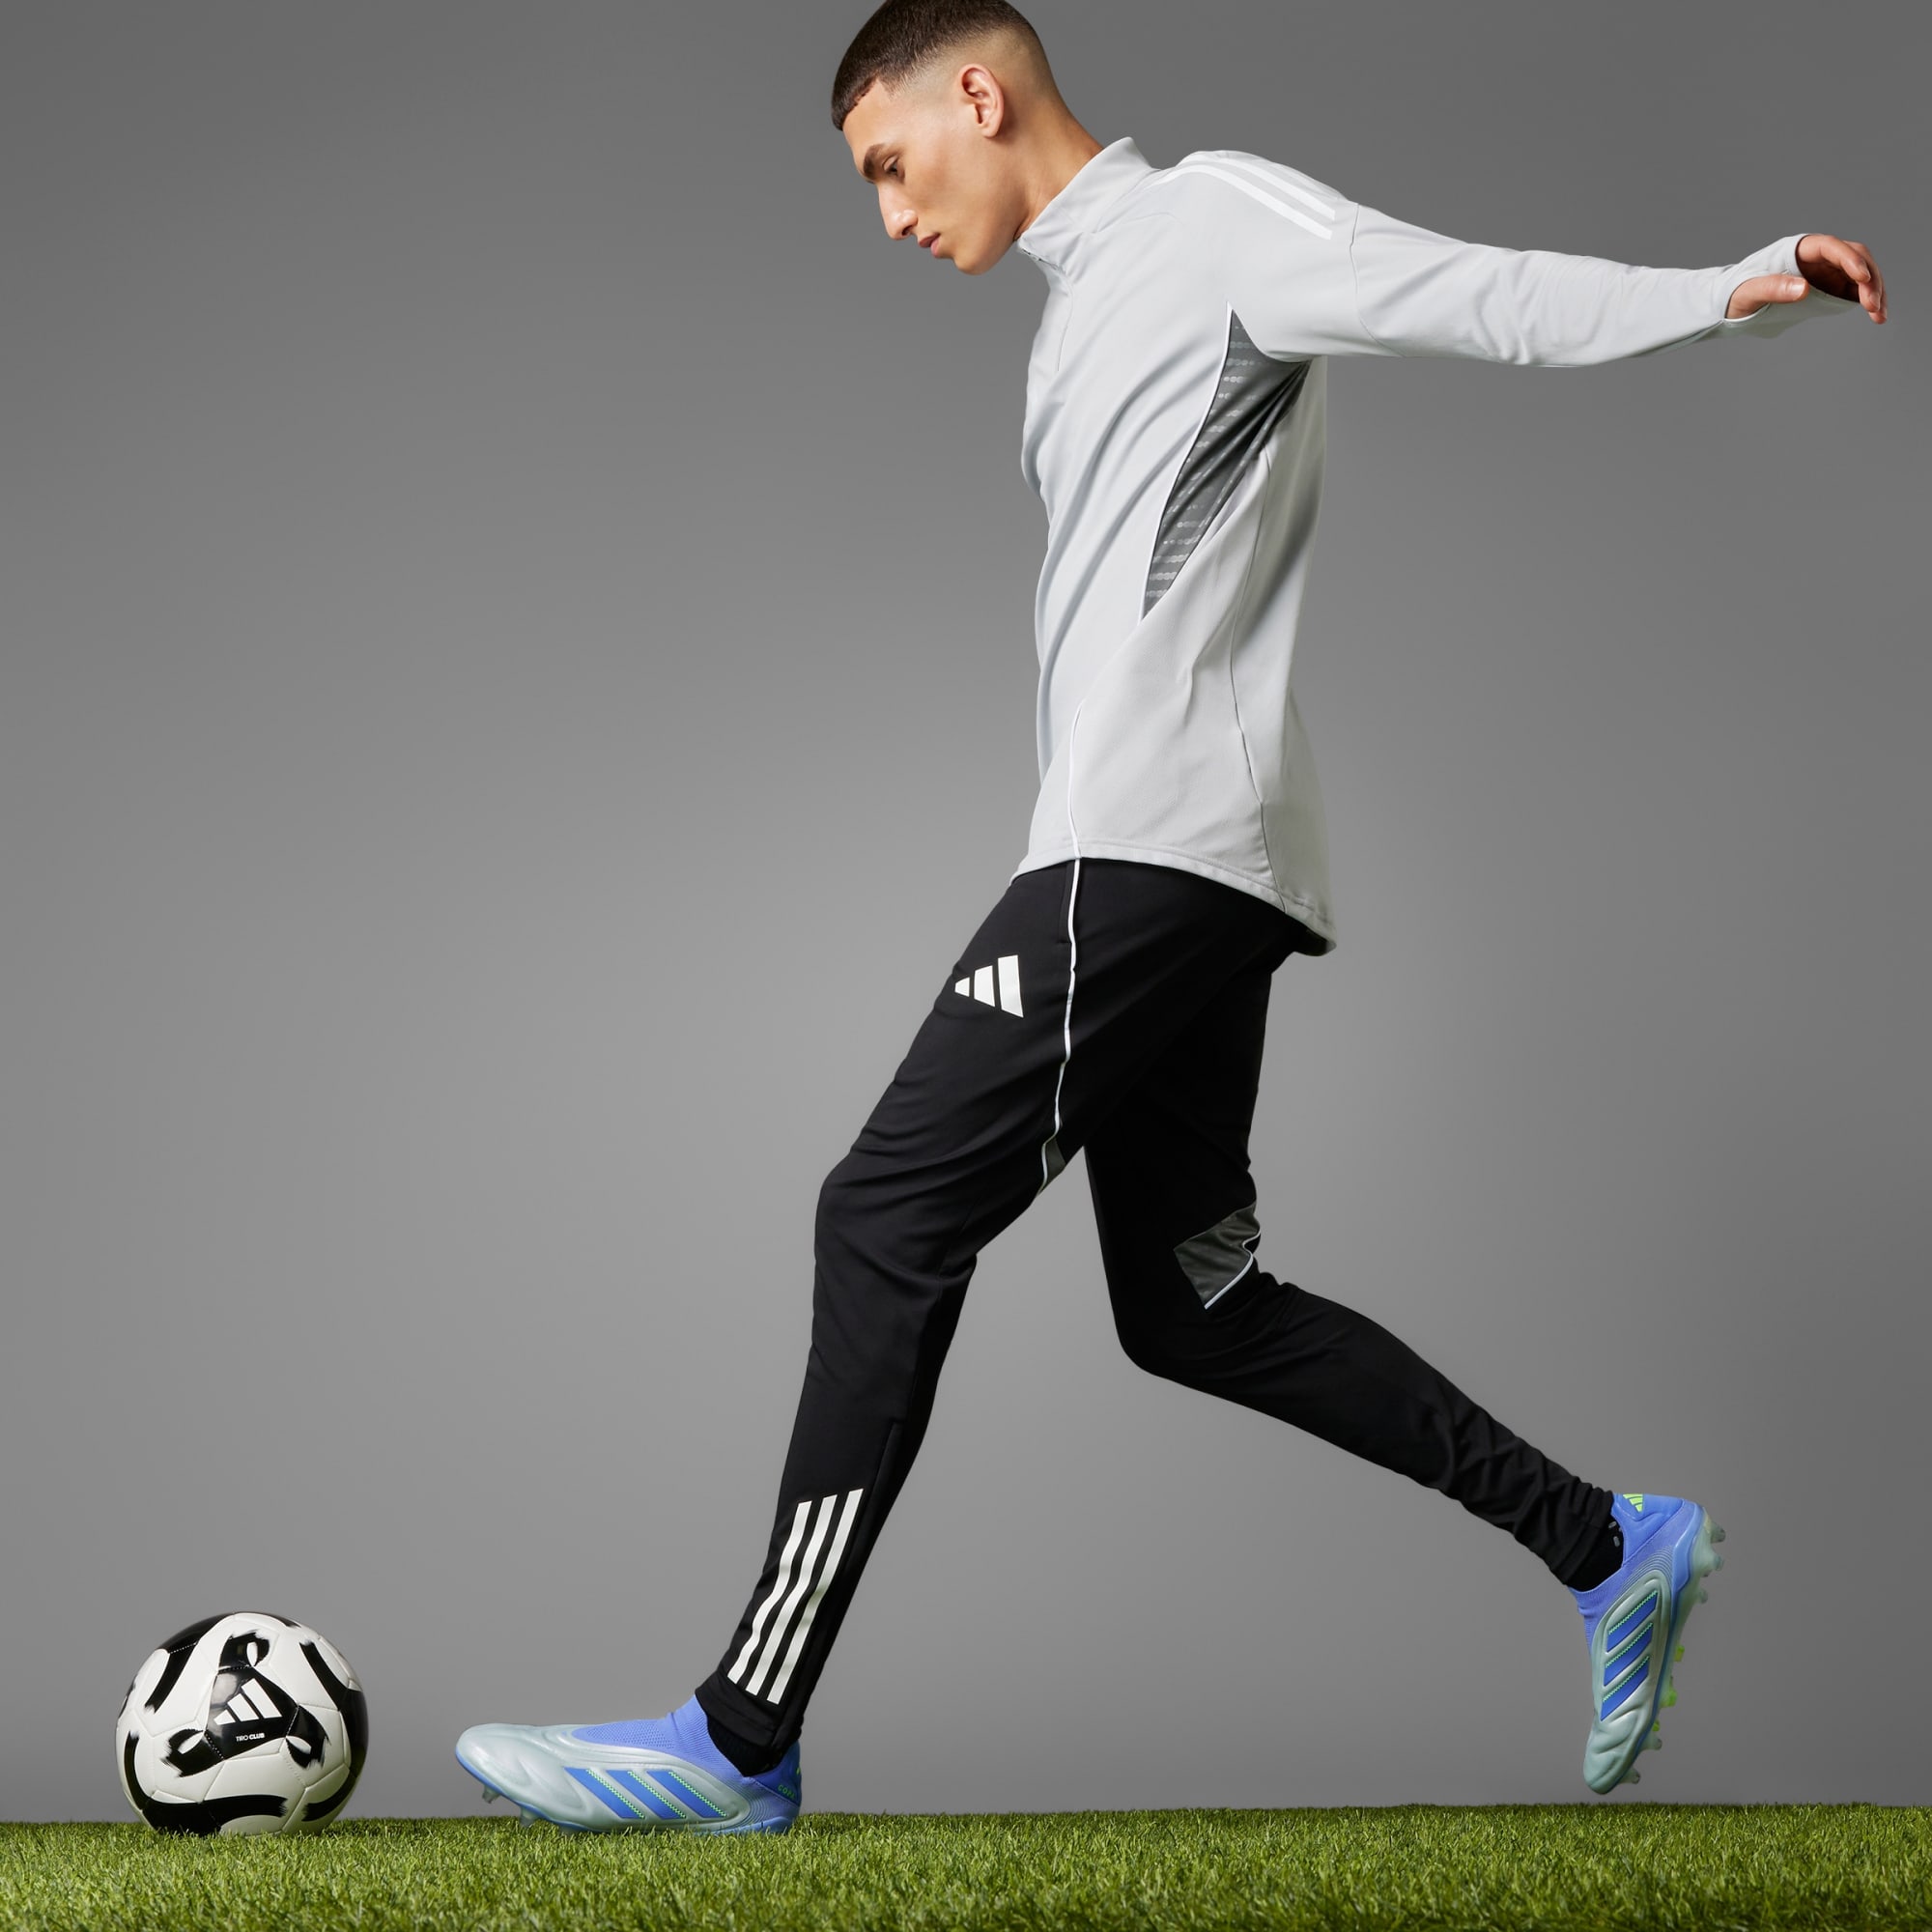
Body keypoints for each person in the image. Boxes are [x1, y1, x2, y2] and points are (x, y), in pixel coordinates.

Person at [454, 0, 1885, 1833]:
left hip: (1150, 850)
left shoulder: (1212, 220)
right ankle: (1612, 1547)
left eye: (891, 163)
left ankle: (737, 1740)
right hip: (1175, 860)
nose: (891, 213)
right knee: (1199, 1307)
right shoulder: (1076, 315)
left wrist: (1733, 286)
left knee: (883, 1215)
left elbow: (1472, 290)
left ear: (979, 92)